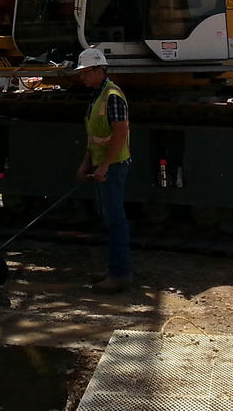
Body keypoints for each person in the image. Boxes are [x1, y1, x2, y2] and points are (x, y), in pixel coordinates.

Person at [73, 47, 132, 292]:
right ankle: (114, 270)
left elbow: (120, 133)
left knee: (116, 221)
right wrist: (87, 164)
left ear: (99, 70)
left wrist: (105, 166)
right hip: (105, 165)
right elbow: (96, 136)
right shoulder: (98, 95)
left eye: (85, 72)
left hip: (113, 166)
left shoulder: (112, 95)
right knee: (110, 220)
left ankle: (120, 275)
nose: (82, 77)